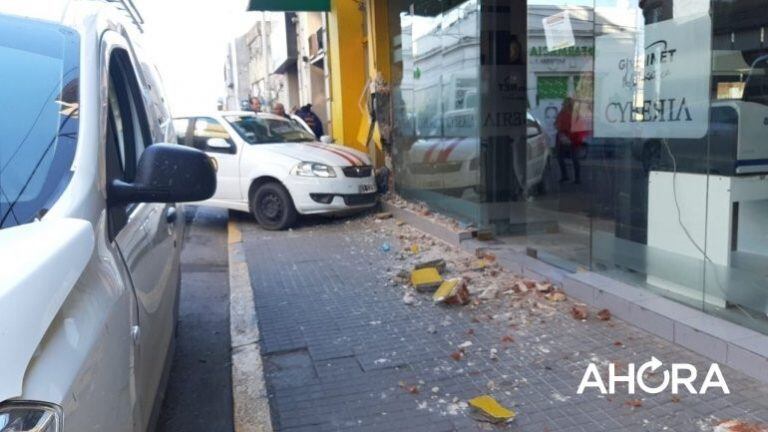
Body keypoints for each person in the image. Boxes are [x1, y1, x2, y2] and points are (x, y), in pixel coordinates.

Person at [555, 97, 582, 184]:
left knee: (572, 158)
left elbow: (557, 124)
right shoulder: (563, 113)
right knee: (564, 158)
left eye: (565, 104)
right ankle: (569, 176)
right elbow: (557, 124)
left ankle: (570, 177)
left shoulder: (572, 114)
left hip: (571, 138)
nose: (564, 106)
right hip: (566, 138)